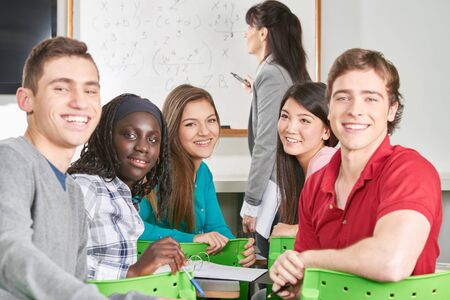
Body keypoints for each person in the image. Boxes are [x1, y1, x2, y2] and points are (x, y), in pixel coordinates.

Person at [270, 48, 442, 299]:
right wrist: (292, 280)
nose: (354, 110)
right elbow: (308, 285)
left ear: (392, 109)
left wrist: (308, 260)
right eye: (343, 98)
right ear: (329, 109)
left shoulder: (411, 170)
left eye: (370, 98)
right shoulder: (315, 185)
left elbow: (391, 261)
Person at [0, 36, 108, 299]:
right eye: (61, 88)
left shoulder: (73, 193)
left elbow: (76, 282)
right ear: (26, 100)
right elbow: (8, 251)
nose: (80, 102)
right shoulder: (10, 159)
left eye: (90, 90)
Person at [68, 93, 186, 280]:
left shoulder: (123, 195)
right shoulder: (86, 186)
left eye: (153, 139)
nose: (143, 147)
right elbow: (57, 259)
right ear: (106, 136)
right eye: (130, 135)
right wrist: (132, 272)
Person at [139, 84, 256, 267]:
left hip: (192, 268)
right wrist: (193, 239)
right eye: (191, 124)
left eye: (210, 120)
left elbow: (215, 228)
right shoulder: (153, 171)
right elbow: (132, 228)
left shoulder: (203, 173)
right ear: (173, 128)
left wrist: (239, 248)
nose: (205, 131)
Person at [240, 0, 311, 257]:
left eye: (249, 27)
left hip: (275, 188)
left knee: (263, 261)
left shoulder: (271, 73)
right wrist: (255, 93)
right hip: (289, 184)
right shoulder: (285, 69)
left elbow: (267, 142)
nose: (246, 34)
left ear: (263, 33)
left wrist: (251, 202)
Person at [271, 82, 338, 238]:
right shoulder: (301, 167)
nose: (290, 128)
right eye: (285, 116)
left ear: (326, 131)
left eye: (304, 120)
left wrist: (292, 230)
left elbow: (336, 230)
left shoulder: (324, 161)